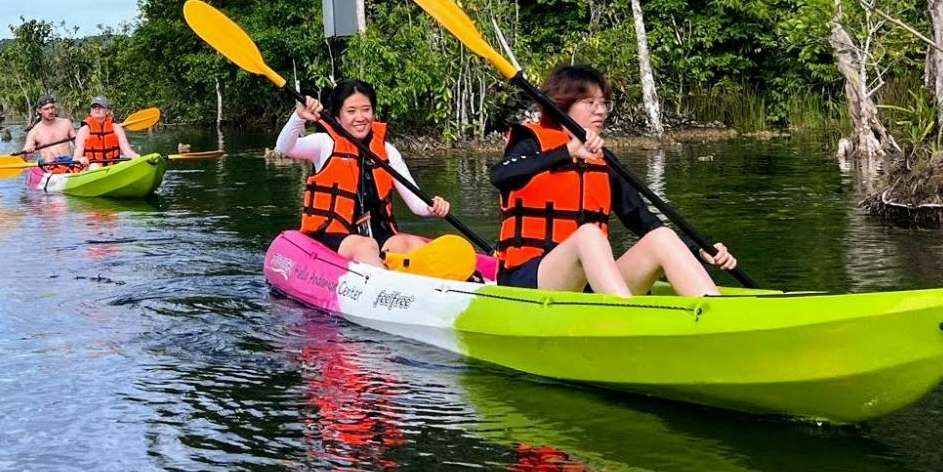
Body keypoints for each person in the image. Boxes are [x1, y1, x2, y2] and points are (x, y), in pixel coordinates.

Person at [489, 65, 734, 295]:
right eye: (590, 102)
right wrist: (567, 152)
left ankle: (716, 310)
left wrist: (699, 249)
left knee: (661, 238)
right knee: (589, 234)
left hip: (588, 285)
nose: (601, 111)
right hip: (529, 279)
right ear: (562, 106)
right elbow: (500, 175)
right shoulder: (530, 143)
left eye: (604, 103)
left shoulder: (603, 160)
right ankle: (625, 318)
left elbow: (643, 221)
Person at [278, 79, 451, 267]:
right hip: (331, 235)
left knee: (410, 244)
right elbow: (285, 147)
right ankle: (386, 288)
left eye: (366, 109)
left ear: (373, 113)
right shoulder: (323, 144)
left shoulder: (387, 151)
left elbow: (416, 203)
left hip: (377, 233)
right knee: (365, 246)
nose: (360, 117)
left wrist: (433, 207)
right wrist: (299, 117)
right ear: (337, 117)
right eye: (351, 111)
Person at [21, 95, 81, 171]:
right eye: (46, 109)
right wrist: (27, 152)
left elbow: (79, 145)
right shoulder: (34, 132)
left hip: (67, 163)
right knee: (49, 156)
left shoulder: (66, 123)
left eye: (52, 107)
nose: (50, 111)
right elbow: (24, 158)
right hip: (49, 167)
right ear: (39, 111)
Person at [75, 96, 134, 170]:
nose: (97, 109)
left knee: (124, 163)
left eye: (100, 106)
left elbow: (126, 150)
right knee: (95, 166)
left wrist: (136, 157)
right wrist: (81, 159)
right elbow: (76, 158)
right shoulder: (84, 130)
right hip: (91, 167)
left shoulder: (116, 128)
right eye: (94, 107)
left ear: (107, 111)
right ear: (91, 111)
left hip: (113, 165)